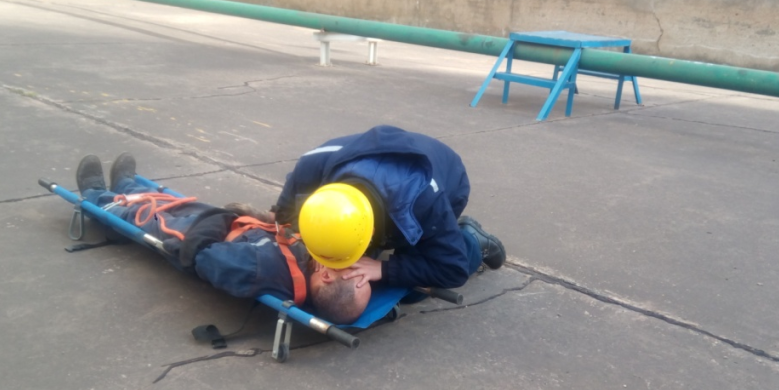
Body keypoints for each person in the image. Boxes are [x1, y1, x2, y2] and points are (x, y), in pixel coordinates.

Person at [75, 153, 371, 325]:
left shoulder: (258, 270)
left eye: (348, 268)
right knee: (172, 203)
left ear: (327, 277)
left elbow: (202, 255)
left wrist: (225, 218)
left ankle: (96, 196)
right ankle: (126, 185)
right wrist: (257, 217)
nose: (351, 261)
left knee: (143, 215)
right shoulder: (312, 261)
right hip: (227, 223)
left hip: (194, 235)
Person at [271, 125, 506, 290]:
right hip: (387, 170)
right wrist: (319, 246)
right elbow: (282, 215)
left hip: (449, 179)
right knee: (359, 273)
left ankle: (472, 241)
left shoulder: (426, 202)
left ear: (371, 232)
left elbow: (452, 270)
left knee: (407, 289)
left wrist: (383, 269)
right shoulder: (311, 166)